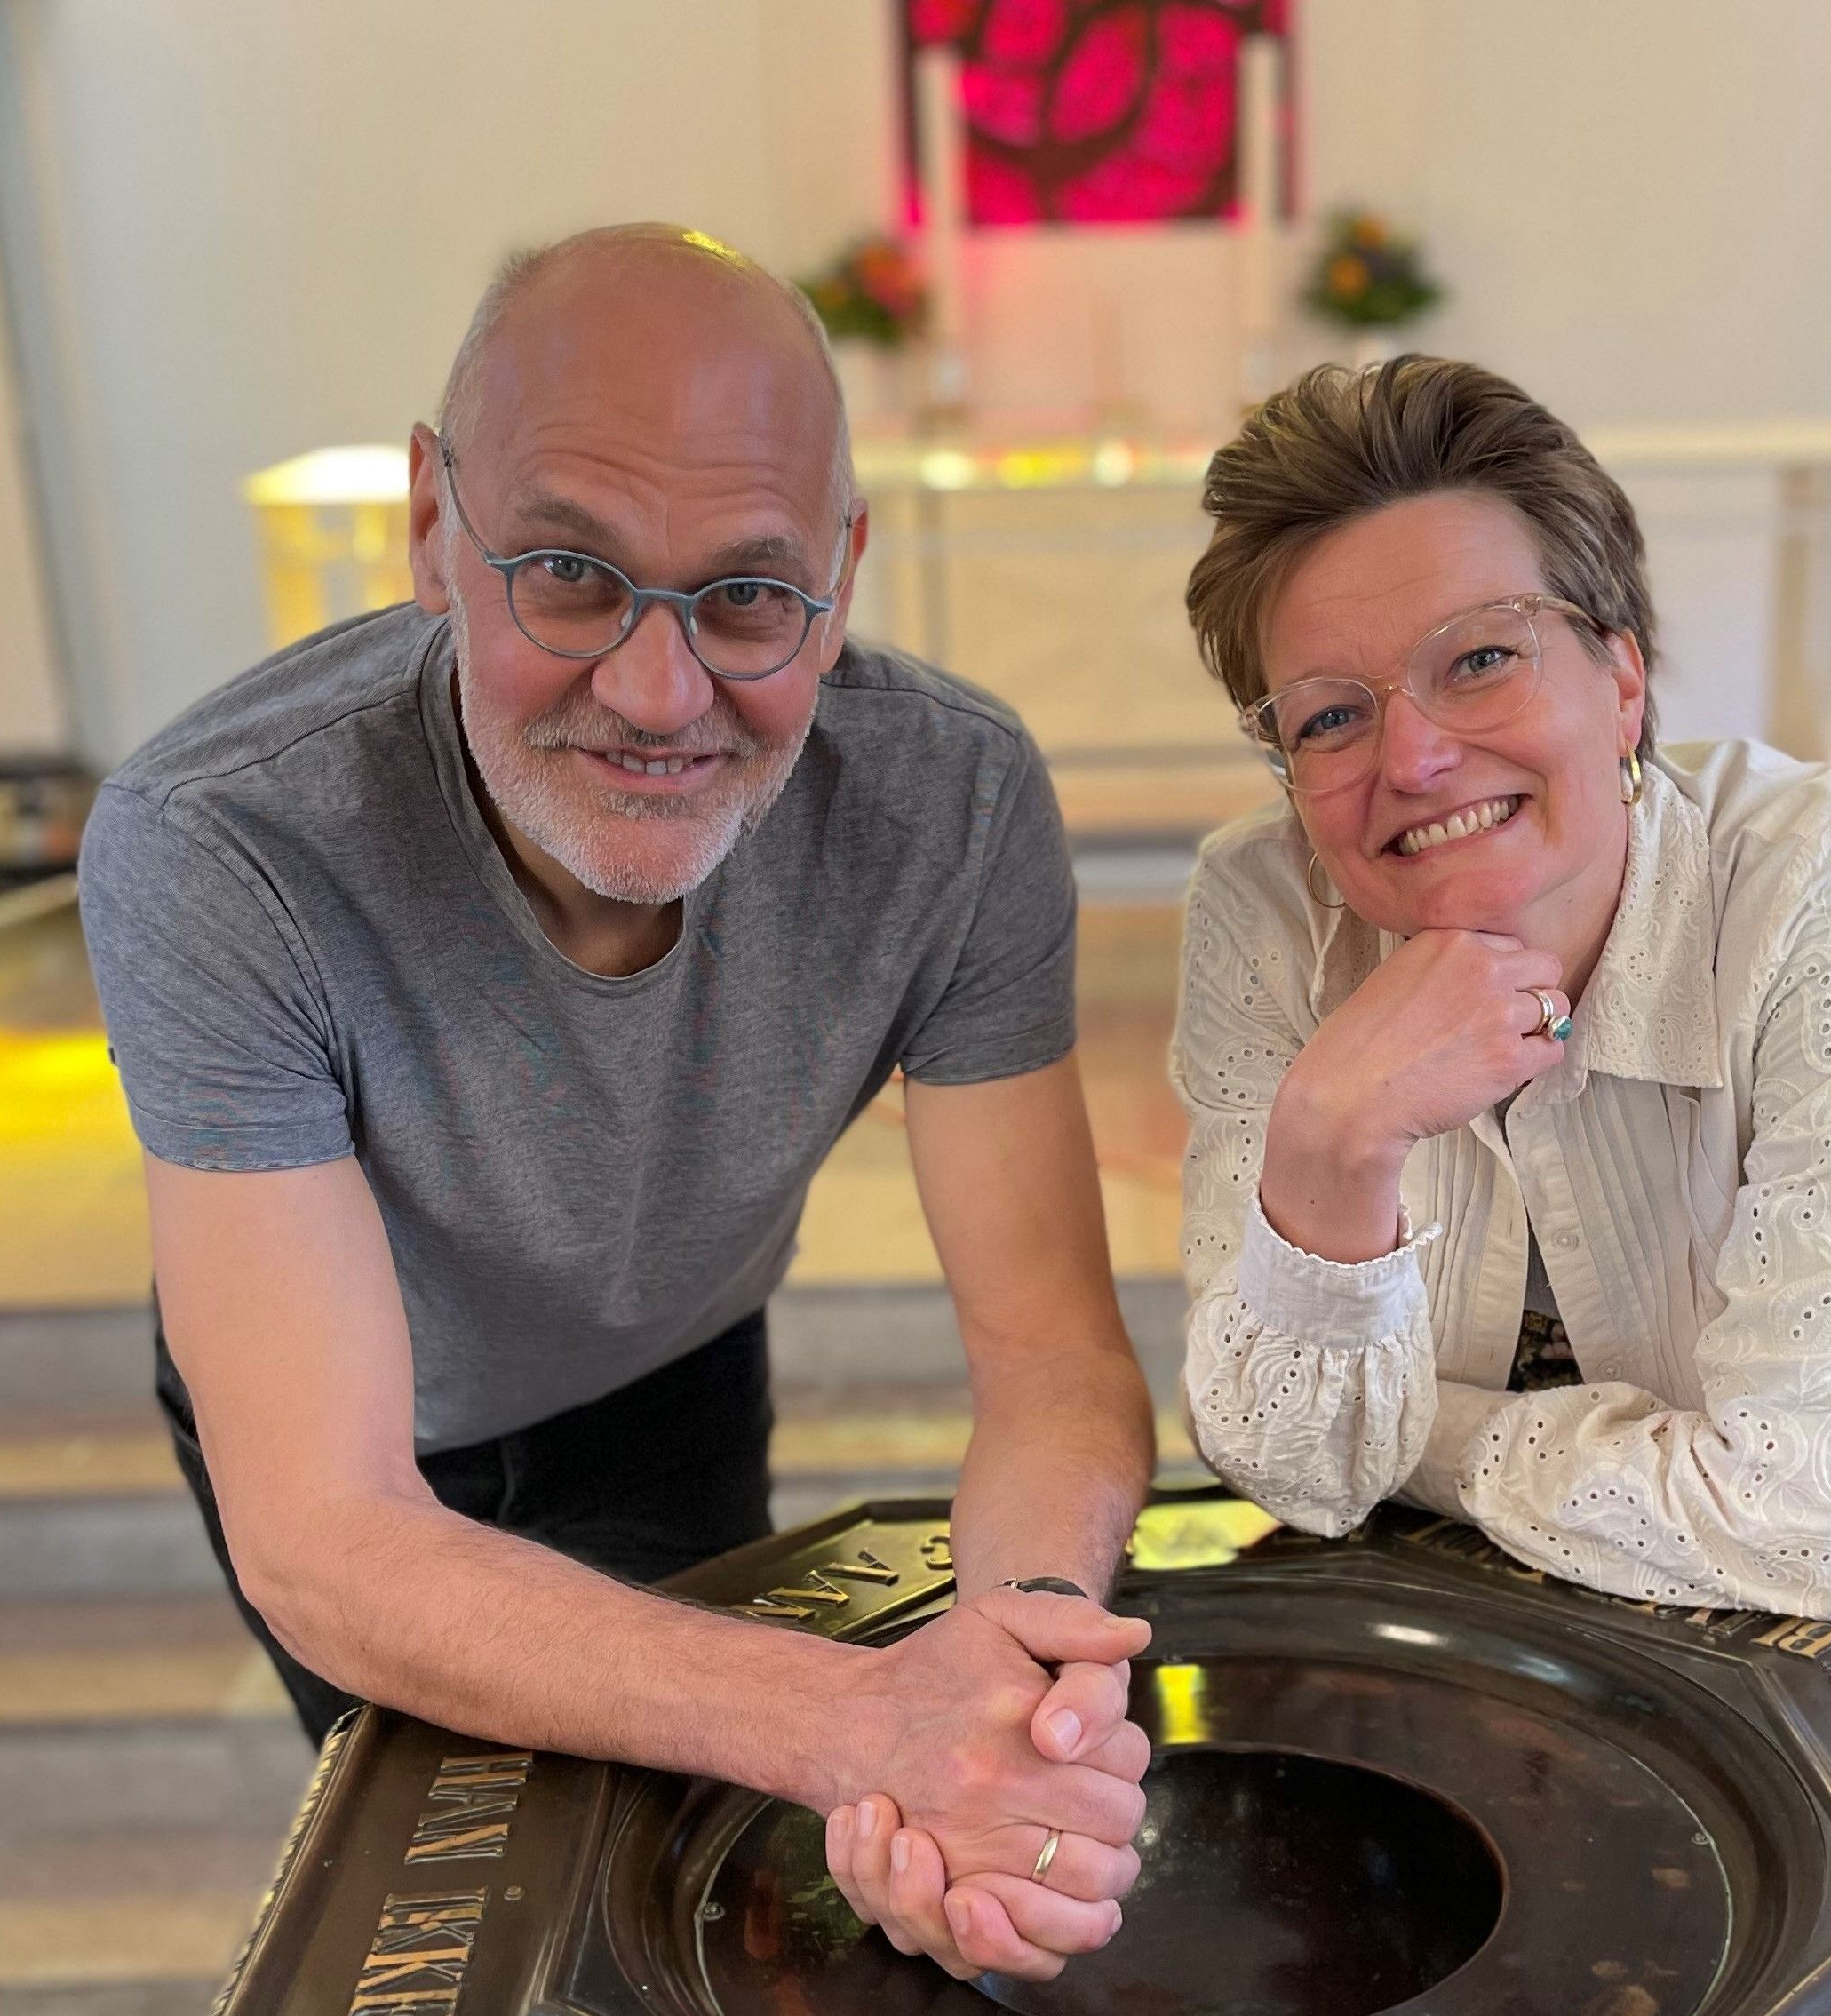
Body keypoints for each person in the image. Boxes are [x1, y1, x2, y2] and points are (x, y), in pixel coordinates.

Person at [78, 225, 1152, 1983]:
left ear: (844, 573)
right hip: (359, 1427)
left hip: (673, 1357)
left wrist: (1021, 1675)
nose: (660, 695)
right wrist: (863, 1723)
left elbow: (1048, 1353)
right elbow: (329, 1530)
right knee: (480, 1904)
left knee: (695, 1883)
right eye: (571, 574)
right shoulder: (219, 842)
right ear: (433, 526)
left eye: (747, 596)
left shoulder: (949, 804)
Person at [1166, 357, 1831, 1620]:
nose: (1414, 758)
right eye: (1329, 719)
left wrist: (1415, 1437)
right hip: (1391, 1633)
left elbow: (1819, 1523)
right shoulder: (1265, 910)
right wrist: (1334, 1135)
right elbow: (1283, 1463)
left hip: (1743, 1653)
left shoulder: (1813, 892)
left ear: (1624, 681)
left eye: (1482, 657)